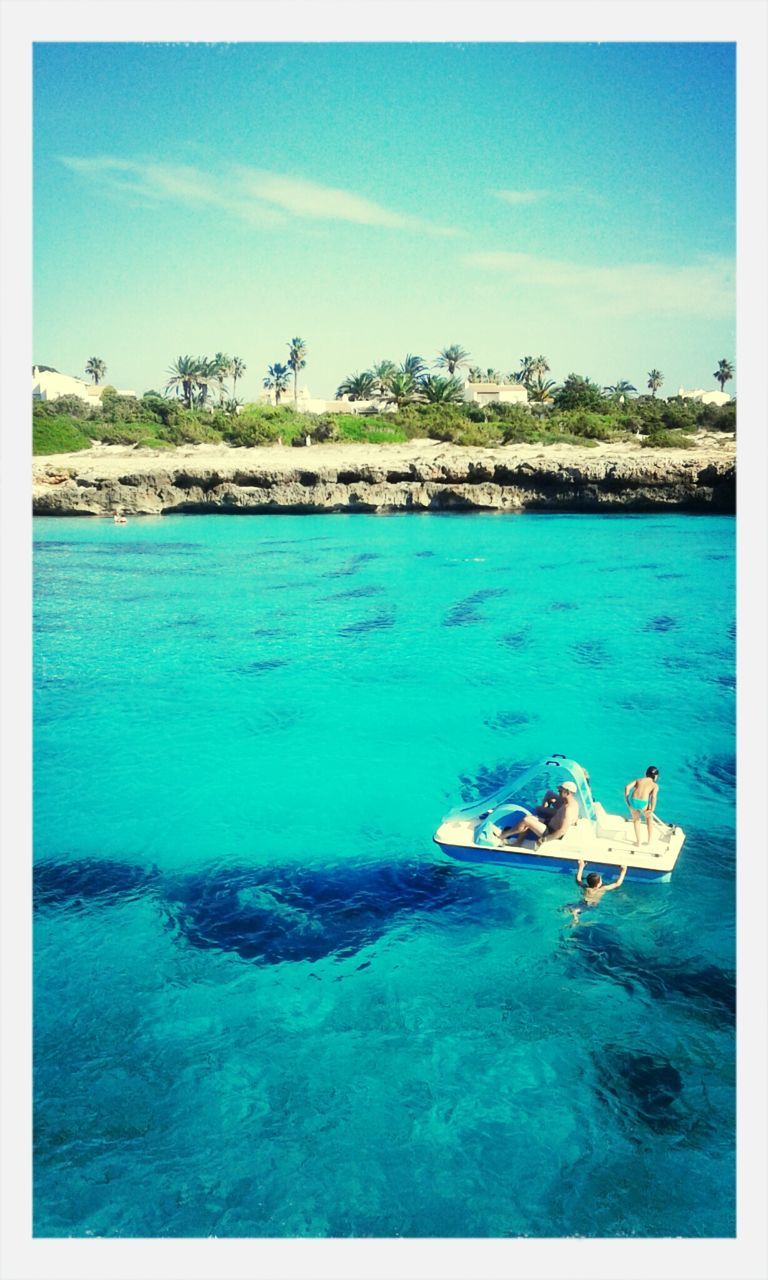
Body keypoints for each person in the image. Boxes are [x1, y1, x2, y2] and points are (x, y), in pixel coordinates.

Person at [495, 780, 579, 849]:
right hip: (549, 824)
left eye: (560, 791)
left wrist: (545, 839)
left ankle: (502, 835)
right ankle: (518, 842)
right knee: (529, 817)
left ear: (567, 792)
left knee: (526, 821)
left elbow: (562, 831)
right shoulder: (571, 803)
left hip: (551, 832)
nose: (558, 792)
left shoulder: (569, 809)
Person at [624, 766, 660, 847]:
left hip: (632, 801)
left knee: (636, 820)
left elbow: (627, 787)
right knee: (649, 818)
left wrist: (627, 802)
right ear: (655, 776)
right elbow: (654, 797)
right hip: (643, 803)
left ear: (646, 773)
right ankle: (649, 841)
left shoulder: (639, 780)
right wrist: (652, 809)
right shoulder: (655, 785)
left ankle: (638, 842)